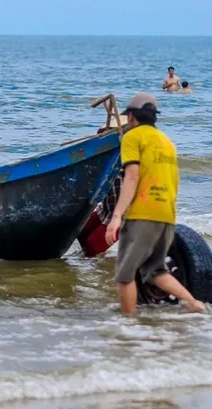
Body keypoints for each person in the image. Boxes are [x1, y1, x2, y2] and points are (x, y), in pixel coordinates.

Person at [104, 92, 205, 314]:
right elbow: (174, 181)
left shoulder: (132, 137)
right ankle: (194, 304)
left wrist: (117, 216)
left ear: (131, 117)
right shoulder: (167, 142)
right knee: (155, 271)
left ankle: (128, 325)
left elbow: (132, 177)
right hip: (166, 215)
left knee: (124, 274)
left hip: (142, 215)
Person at [77, 113, 129, 257]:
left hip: (125, 214)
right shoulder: (106, 158)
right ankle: (90, 259)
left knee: (93, 245)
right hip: (106, 209)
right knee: (81, 232)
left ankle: (95, 264)